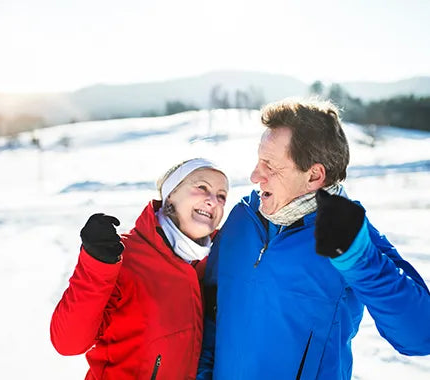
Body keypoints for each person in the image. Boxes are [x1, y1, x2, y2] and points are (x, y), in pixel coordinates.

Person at [197, 99, 430, 380]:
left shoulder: (351, 234)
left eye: (270, 166)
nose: (255, 176)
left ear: (314, 175)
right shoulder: (241, 218)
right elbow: (209, 311)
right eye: (259, 161)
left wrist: (358, 260)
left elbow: (420, 336)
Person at [50, 158, 229, 379]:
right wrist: (96, 264)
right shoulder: (124, 256)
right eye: (202, 187)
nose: (214, 201)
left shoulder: (212, 265)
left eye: (222, 196)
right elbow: (68, 342)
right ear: (171, 194)